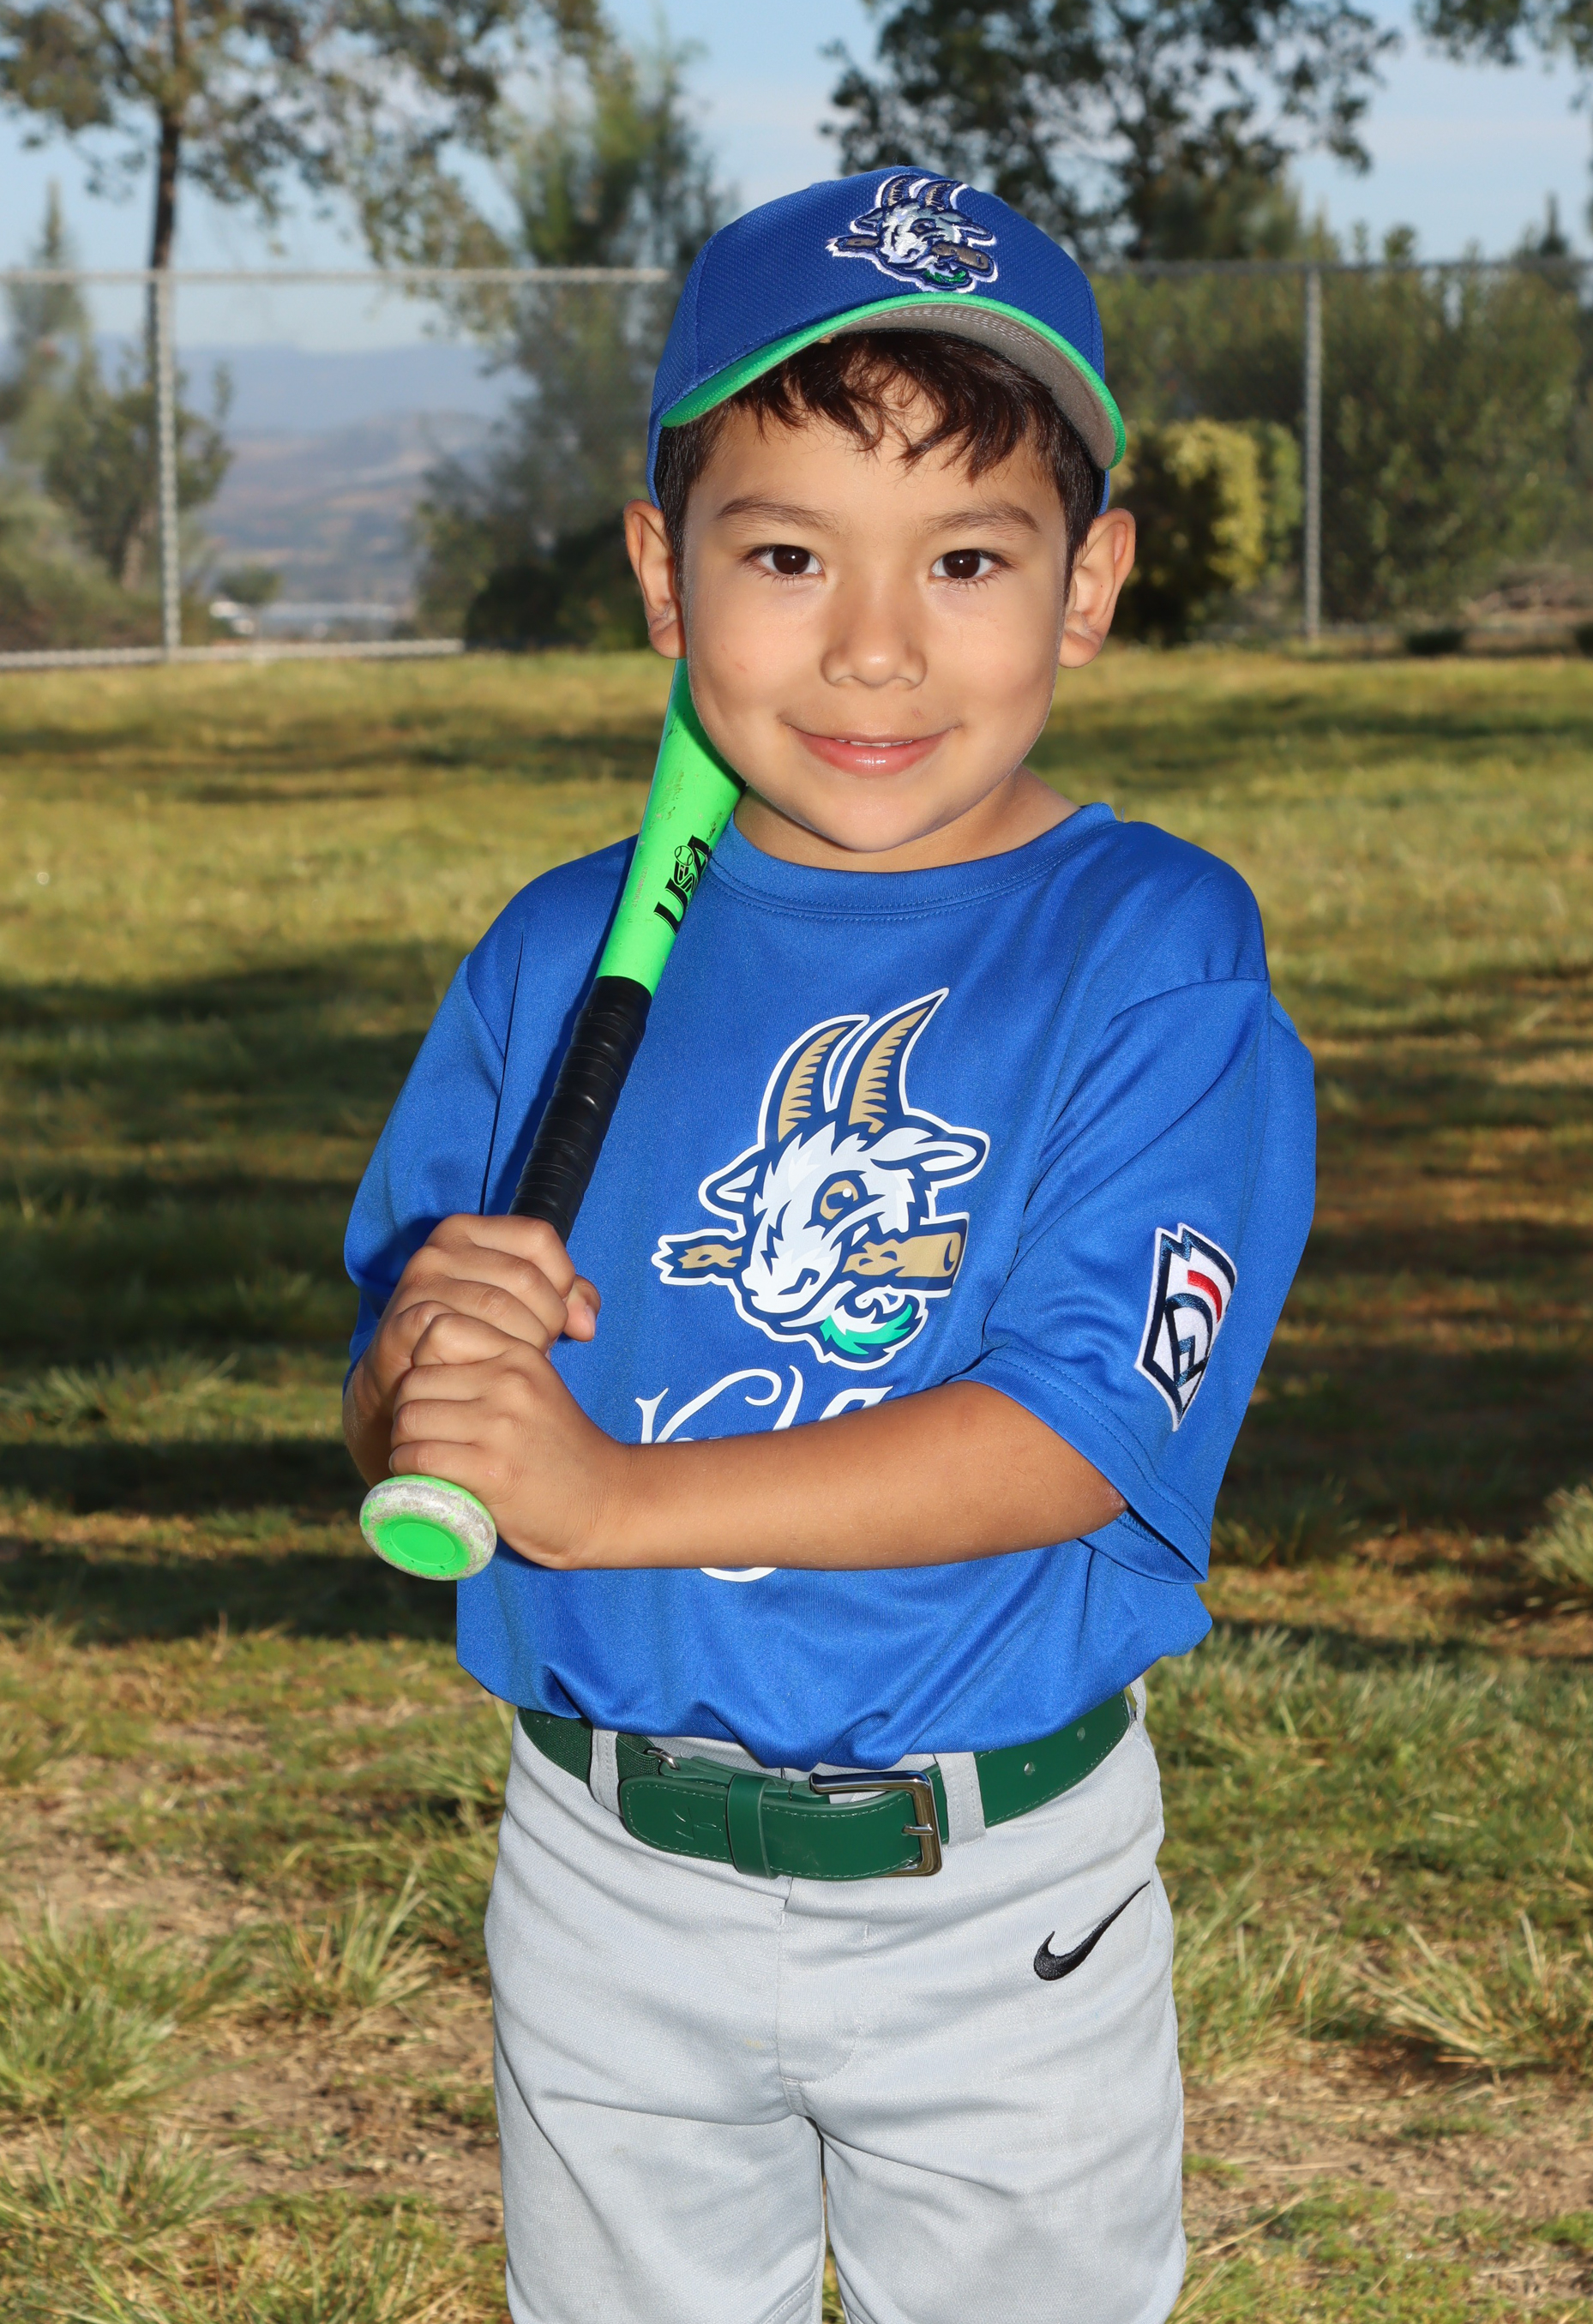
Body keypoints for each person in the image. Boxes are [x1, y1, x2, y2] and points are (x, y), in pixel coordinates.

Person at [342, 168, 1315, 2324]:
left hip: (989, 1892)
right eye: (786, 555)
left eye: (966, 559)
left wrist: (605, 1495)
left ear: (1088, 587)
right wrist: (426, 1375)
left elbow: (1070, 1435)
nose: (875, 642)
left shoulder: (1152, 950)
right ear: (663, 576)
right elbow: (400, 1404)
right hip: (601, 1869)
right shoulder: (552, 952)